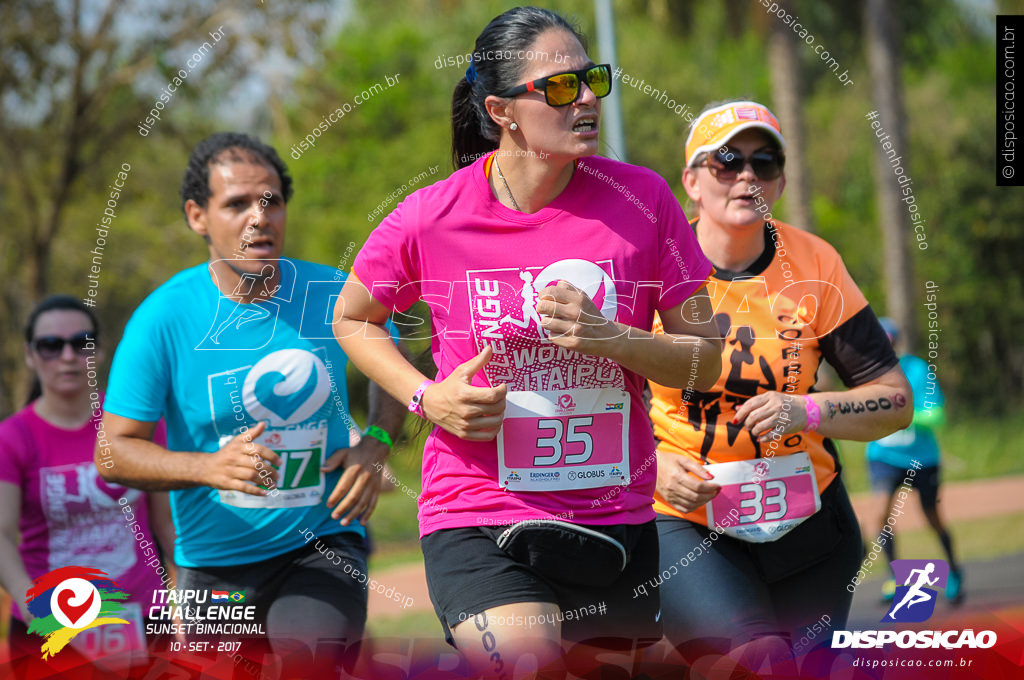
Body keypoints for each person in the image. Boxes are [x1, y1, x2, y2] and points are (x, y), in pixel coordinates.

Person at [334, 7, 722, 678]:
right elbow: (354, 319)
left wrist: (614, 340)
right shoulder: (435, 214)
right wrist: (428, 397)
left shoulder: (644, 201)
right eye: (563, 87)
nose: (590, 99)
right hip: (479, 513)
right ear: (502, 109)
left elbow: (705, 358)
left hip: (613, 517)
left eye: (592, 79)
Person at [96, 132, 405, 671]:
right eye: (237, 204)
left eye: (272, 202)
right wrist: (208, 467)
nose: (259, 218)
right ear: (198, 216)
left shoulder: (333, 296)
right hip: (215, 570)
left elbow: (396, 368)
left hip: (322, 543)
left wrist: (376, 440)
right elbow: (114, 451)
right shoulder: (163, 319)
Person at [648, 100, 913, 659]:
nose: (747, 175)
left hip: (810, 523)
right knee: (755, 660)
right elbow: (603, 403)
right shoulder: (652, 264)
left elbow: (895, 400)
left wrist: (809, 411)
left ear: (782, 180)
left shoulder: (814, 263)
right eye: (726, 161)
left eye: (764, 162)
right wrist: (653, 465)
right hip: (688, 525)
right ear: (691, 181)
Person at [0, 295, 173, 662]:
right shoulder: (12, 439)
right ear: (30, 355)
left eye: (81, 343)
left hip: (143, 616)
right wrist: (30, 601)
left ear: (100, 351)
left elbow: (167, 524)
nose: (67, 356)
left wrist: (186, 600)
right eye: (50, 346)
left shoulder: (137, 425)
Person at [866, 318, 962, 604]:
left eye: (888, 342)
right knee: (880, 514)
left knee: (932, 517)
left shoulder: (917, 370)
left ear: (895, 342)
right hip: (884, 456)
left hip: (922, 458)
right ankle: (895, 578)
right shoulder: (863, 374)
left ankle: (954, 569)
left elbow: (937, 415)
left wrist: (904, 414)